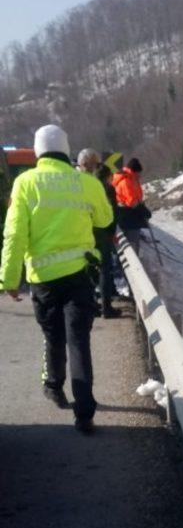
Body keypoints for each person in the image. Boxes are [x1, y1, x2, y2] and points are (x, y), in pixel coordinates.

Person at [0, 123, 113, 433]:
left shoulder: (25, 183)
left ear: (38, 152)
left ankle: (54, 386)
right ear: (66, 150)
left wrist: (9, 279)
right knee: (79, 341)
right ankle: (85, 412)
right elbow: (105, 218)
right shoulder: (85, 183)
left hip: (44, 279)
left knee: (53, 337)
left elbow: (14, 234)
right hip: (80, 275)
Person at [95, 162, 120, 317]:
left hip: (86, 233)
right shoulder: (109, 190)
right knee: (105, 269)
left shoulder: (87, 188)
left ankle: (92, 305)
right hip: (103, 233)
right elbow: (113, 213)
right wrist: (112, 233)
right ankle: (106, 307)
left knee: (90, 269)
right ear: (107, 177)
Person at [112, 156, 151, 253]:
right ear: (134, 171)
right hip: (127, 216)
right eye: (139, 173)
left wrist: (141, 206)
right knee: (131, 243)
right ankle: (129, 263)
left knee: (132, 241)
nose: (140, 175)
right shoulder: (125, 181)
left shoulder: (132, 179)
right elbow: (131, 201)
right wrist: (143, 210)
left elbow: (137, 197)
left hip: (131, 215)